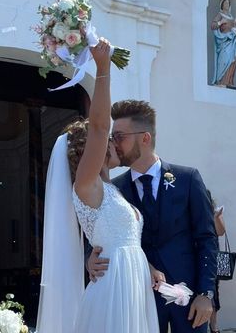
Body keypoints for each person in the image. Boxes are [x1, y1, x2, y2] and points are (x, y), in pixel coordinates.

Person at [36, 39, 159, 333]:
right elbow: (101, 126)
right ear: (96, 147)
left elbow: (123, 239)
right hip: (114, 289)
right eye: (109, 140)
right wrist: (103, 70)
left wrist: (149, 269)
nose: (114, 142)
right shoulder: (86, 184)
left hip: (133, 284)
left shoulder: (112, 189)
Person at [87, 99, 218, 333]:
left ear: (145, 138)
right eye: (112, 137)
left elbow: (207, 238)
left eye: (120, 136)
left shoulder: (188, 179)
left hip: (188, 301)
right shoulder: (113, 189)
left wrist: (206, 294)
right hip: (136, 300)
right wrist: (90, 258)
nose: (113, 144)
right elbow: (99, 233)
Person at [210, 0, 236, 87]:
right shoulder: (220, 15)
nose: (227, 5)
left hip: (232, 40)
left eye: (228, 3)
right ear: (222, 5)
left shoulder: (232, 17)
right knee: (224, 59)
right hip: (223, 40)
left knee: (233, 59)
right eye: (225, 3)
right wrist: (220, 23)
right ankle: (221, 81)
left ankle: (229, 81)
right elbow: (213, 26)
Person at [209, 197, 226, 333]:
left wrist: (216, 217)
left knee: (213, 291)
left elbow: (221, 231)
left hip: (211, 257)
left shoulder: (214, 212)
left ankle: (213, 326)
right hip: (191, 256)